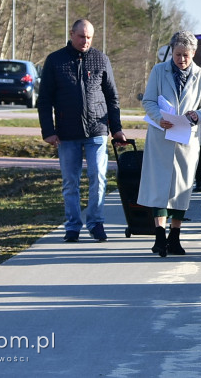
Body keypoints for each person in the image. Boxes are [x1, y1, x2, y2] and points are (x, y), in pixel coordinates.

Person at [38, 19, 127, 243]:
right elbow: (44, 99)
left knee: (98, 178)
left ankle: (96, 223)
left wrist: (116, 129)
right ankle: (73, 226)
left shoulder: (101, 59)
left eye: (89, 37)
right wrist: (48, 130)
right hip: (67, 133)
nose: (85, 41)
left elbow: (112, 97)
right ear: (71, 34)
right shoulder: (55, 60)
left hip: (97, 131)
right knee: (70, 182)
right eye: (81, 36)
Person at [138, 31, 201, 257]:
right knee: (159, 185)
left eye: (186, 55)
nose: (181, 59)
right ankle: (159, 235)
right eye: (178, 54)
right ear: (172, 51)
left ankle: (175, 235)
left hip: (186, 137)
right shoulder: (158, 71)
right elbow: (149, 100)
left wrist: (196, 116)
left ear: (194, 54)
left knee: (181, 187)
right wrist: (158, 118)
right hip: (161, 134)